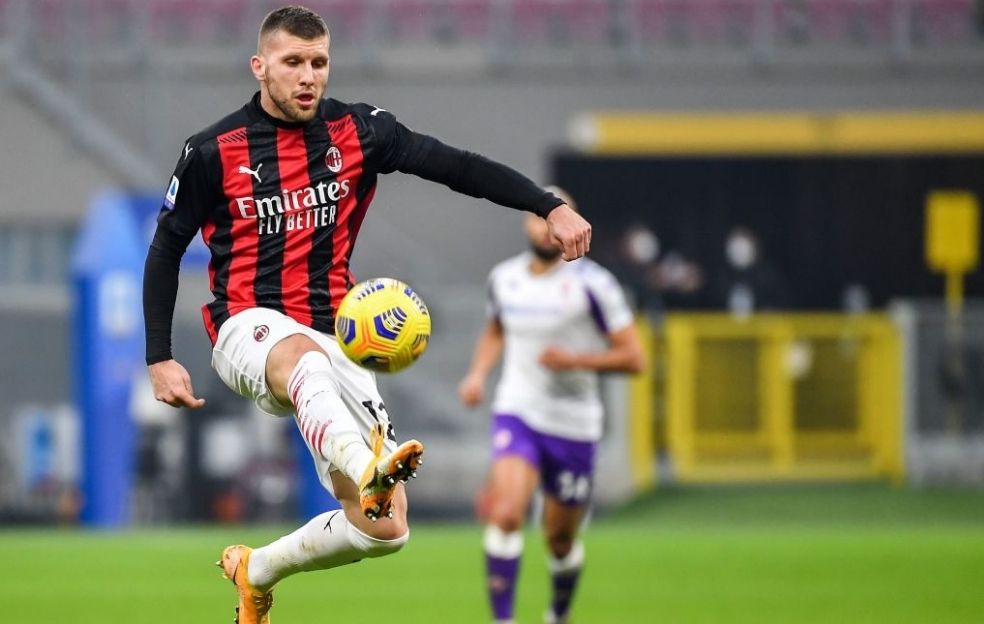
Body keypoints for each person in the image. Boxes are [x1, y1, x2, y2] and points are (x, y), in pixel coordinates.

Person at [142, 7, 591, 624]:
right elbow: (166, 248)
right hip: (249, 324)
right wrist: (160, 356)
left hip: (338, 333)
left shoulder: (359, 131)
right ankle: (366, 466)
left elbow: (456, 166)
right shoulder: (214, 151)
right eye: (293, 62)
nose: (308, 76)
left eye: (318, 62)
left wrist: (547, 205)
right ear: (260, 67)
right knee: (301, 360)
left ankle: (258, 570)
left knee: (385, 530)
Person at [458, 188, 644, 624]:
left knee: (559, 540)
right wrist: (477, 374)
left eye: (555, 218)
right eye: (537, 217)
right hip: (519, 409)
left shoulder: (594, 284)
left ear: (572, 223)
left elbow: (634, 358)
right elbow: (496, 329)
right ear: (526, 222)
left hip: (574, 423)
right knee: (506, 514)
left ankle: (558, 613)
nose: (545, 227)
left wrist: (576, 360)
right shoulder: (504, 278)